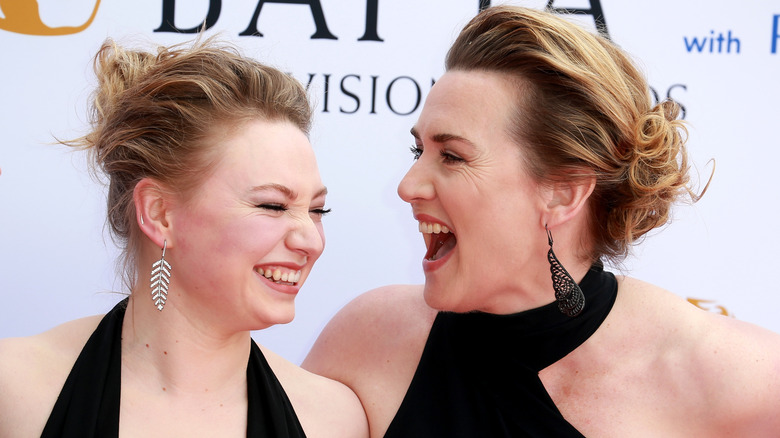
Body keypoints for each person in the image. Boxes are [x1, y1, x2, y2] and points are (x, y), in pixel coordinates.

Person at [303, 6, 780, 437]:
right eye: (418, 149)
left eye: (451, 156)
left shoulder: (740, 378)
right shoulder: (368, 340)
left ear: (564, 192)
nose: (407, 186)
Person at [0, 38, 367, 438]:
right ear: (159, 214)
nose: (311, 241)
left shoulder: (332, 420)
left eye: (317, 211)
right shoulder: (15, 392)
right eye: (273, 206)